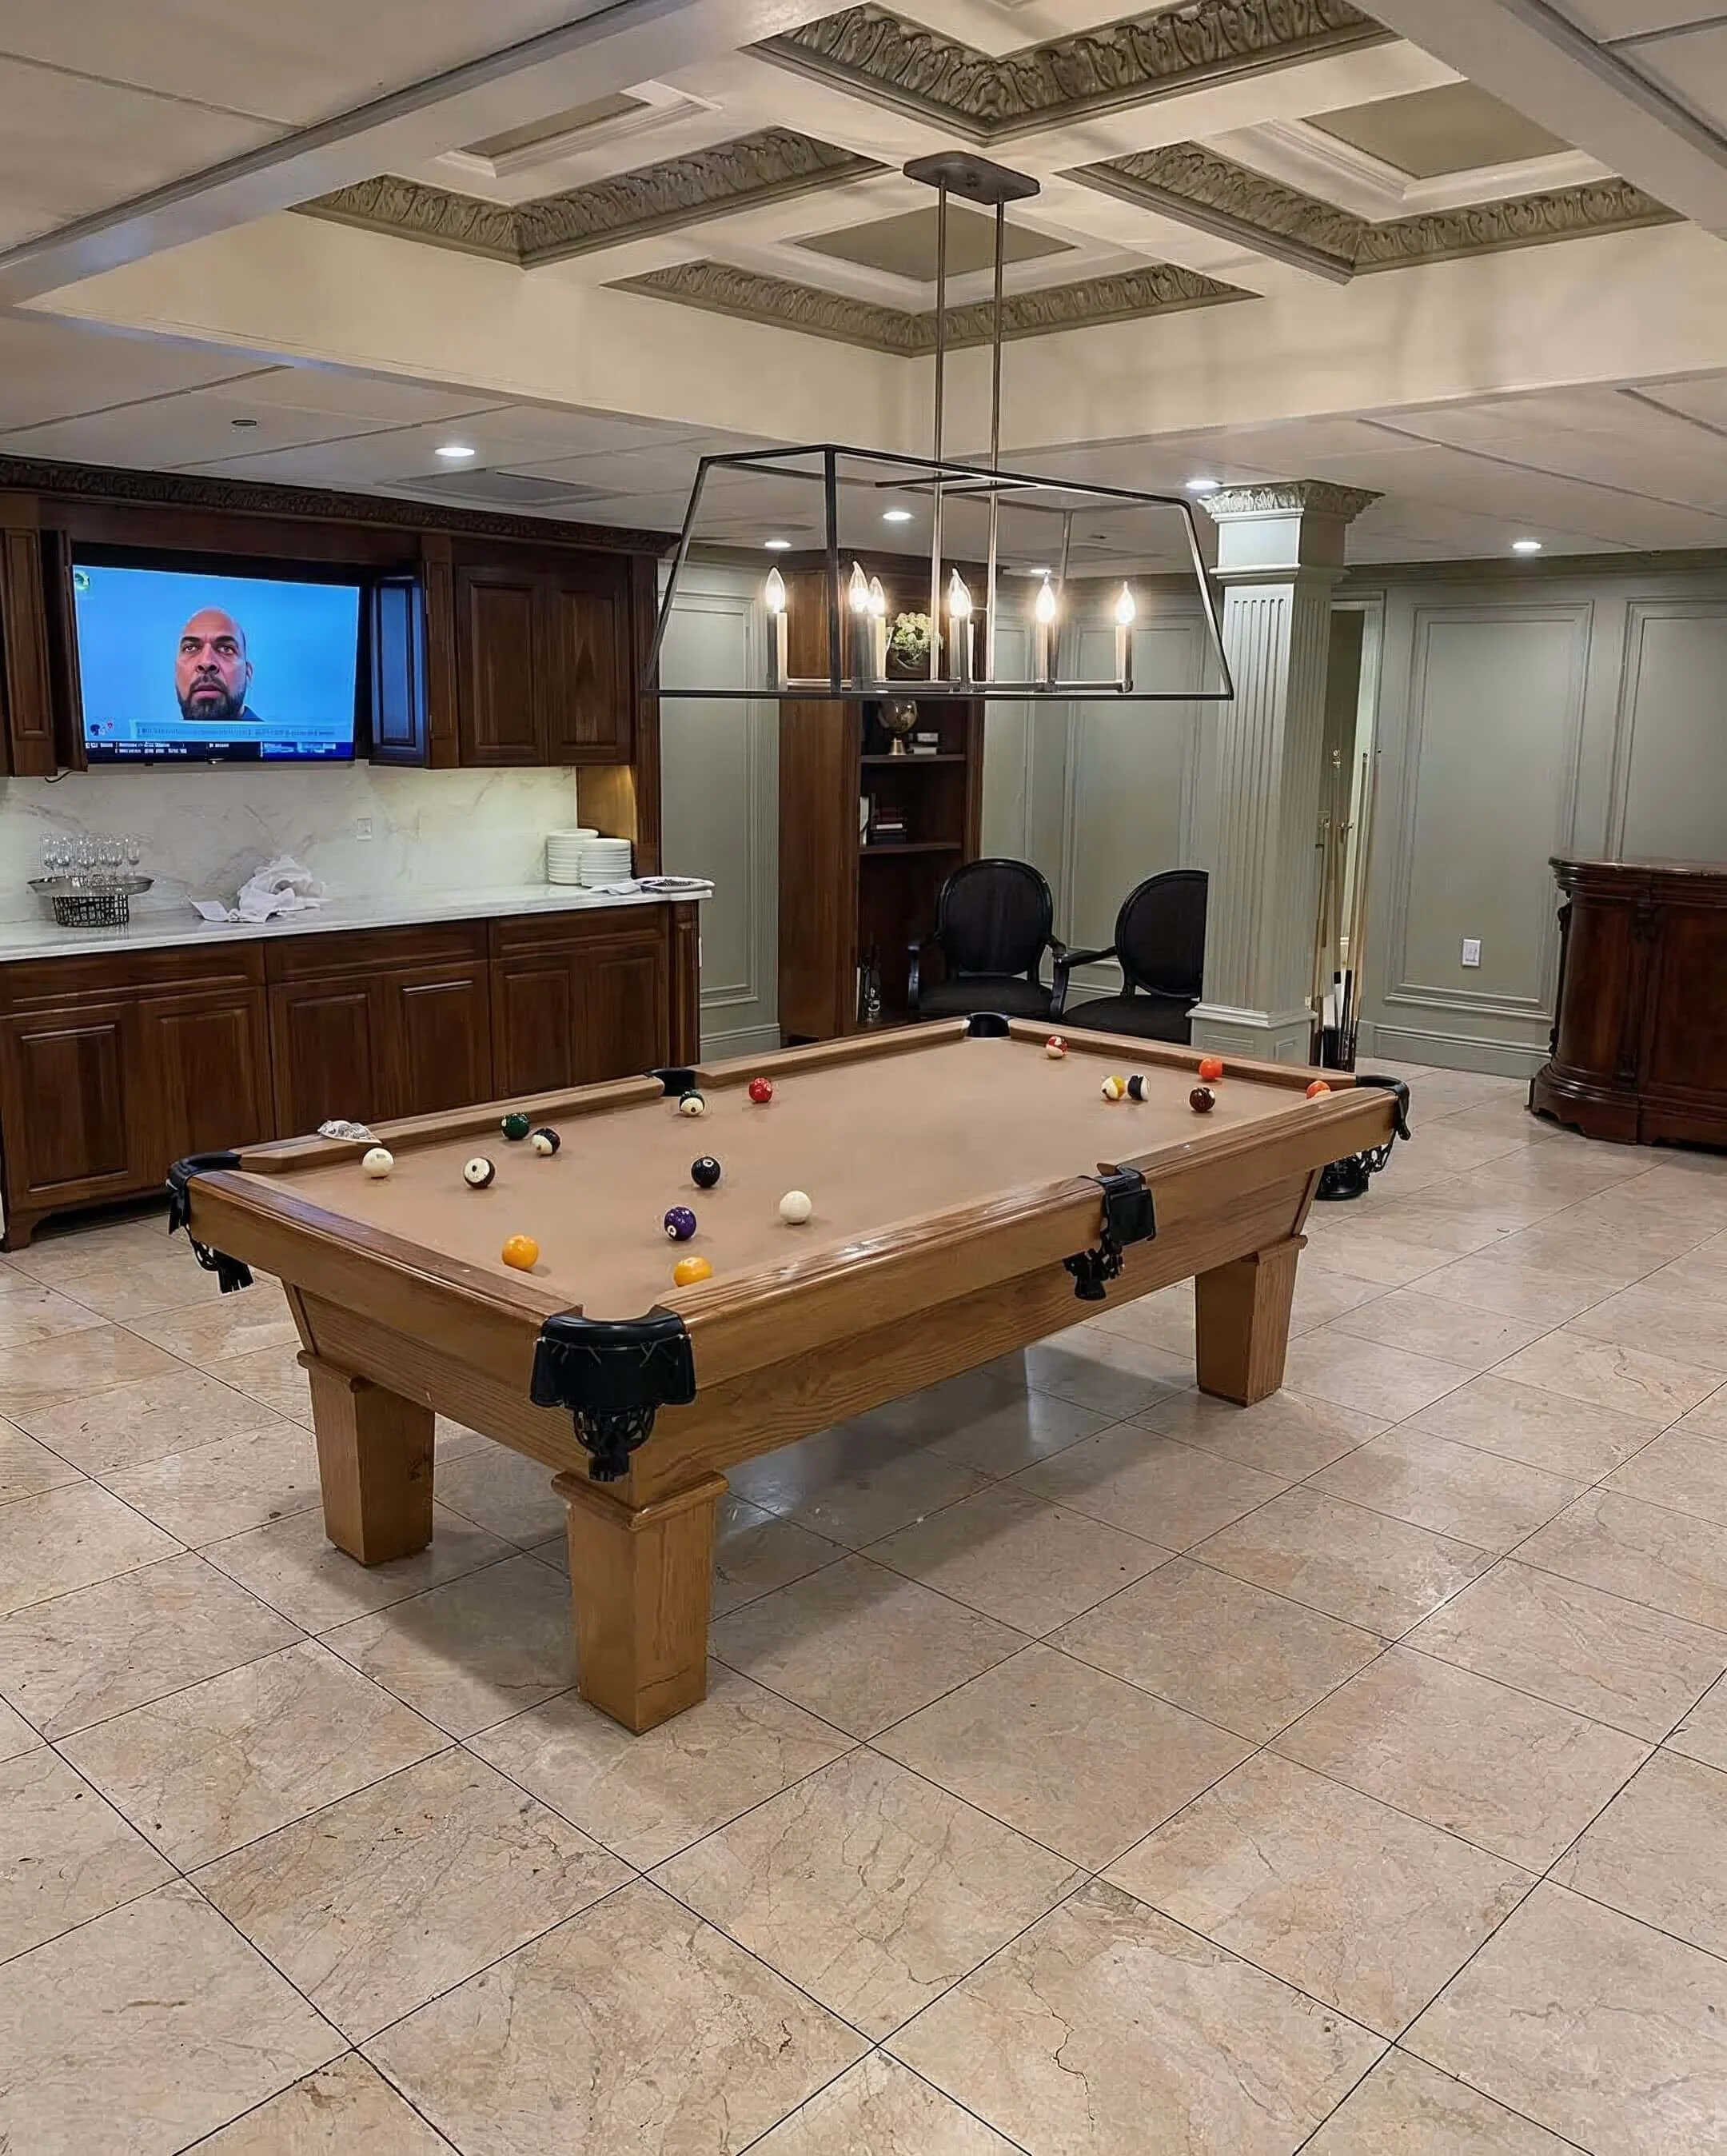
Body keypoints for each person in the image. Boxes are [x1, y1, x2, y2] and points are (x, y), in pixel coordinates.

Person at [174, 607, 260, 724]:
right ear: (176, 673)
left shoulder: (286, 741)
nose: (206, 662)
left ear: (247, 674)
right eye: (191, 648)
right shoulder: (152, 741)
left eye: (226, 649)